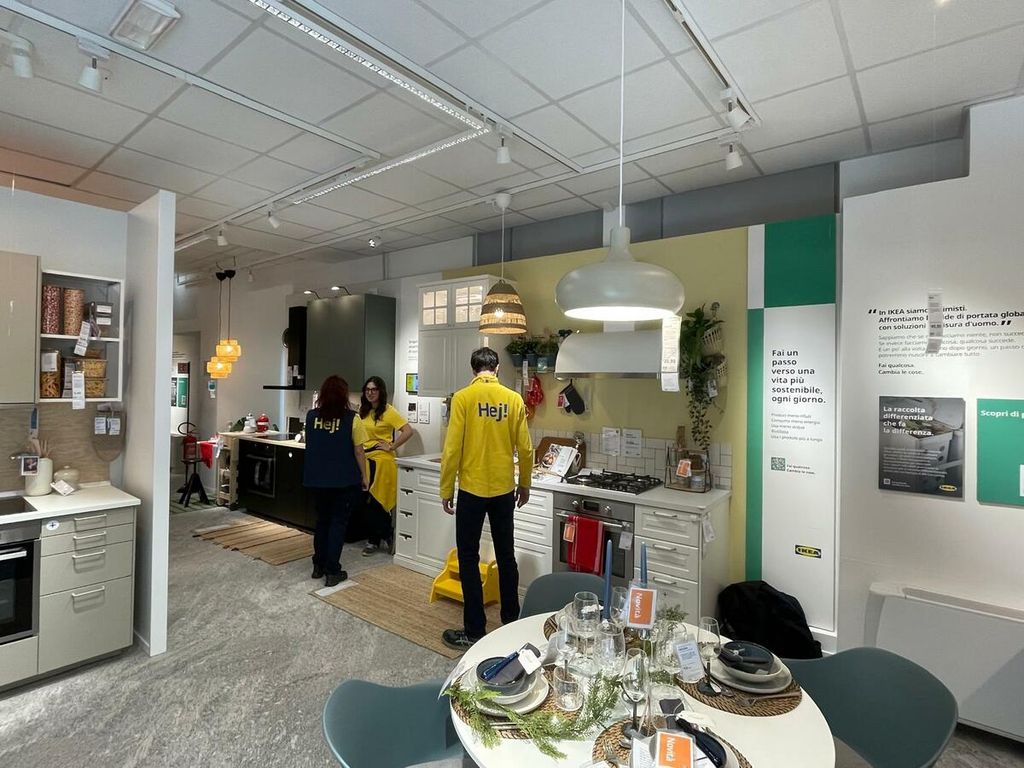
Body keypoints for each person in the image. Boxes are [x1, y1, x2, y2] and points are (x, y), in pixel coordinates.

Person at [440, 347, 533, 651]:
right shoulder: (513, 399)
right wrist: (525, 483)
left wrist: (446, 489)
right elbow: (526, 449)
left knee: (468, 557)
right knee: (506, 555)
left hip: (472, 489)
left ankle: (474, 629)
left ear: (473, 370)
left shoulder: (463, 398)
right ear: (496, 369)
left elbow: (452, 449)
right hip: (504, 490)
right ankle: (511, 622)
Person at [303, 375, 370, 587]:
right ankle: (332, 570)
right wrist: (365, 476)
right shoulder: (353, 419)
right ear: (344, 395)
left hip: (317, 480)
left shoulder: (311, 416)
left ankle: (318, 565)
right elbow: (359, 451)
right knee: (337, 524)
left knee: (322, 521)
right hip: (343, 481)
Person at [357, 375, 414, 555]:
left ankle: (376, 539)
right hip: (364, 458)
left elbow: (408, 430)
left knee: (376, 501)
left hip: (382, 461)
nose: (370, 393)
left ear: (380, 391)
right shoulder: (363, 411)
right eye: (367, 390)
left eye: (374, 389)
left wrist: (392, 446)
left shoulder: (388, 411)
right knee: (365, 501)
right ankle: (384, 534)